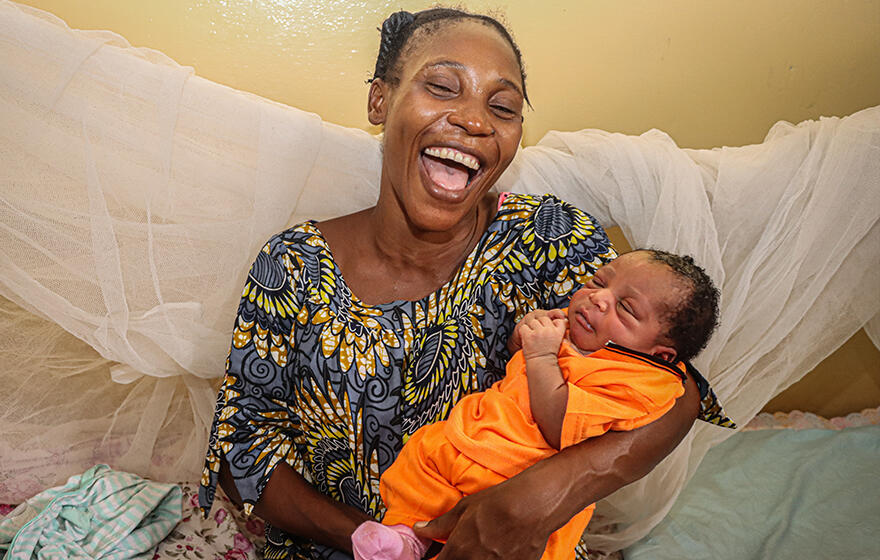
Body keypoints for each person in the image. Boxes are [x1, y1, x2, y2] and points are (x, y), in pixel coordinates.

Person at [199, 8, 731, 559]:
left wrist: (536, 499)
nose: (475, 122)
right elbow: (240, 452)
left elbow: (671, 386)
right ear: (380, 100)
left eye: (502, 107)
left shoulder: (545, 239)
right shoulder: (292, 268)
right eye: (442, 87)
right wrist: (367, 538)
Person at [350, 249, 733, 560]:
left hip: (514, 473)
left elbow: (561, 423)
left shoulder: (636, 381)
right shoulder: (577, 332)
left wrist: (541, 357)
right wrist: (526, 337)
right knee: (420, 473)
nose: (597, 299)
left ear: (660, 354)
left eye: (626, 309)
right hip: (470, 440)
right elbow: (519, 373)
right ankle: (406, 537)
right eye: (598, 282)